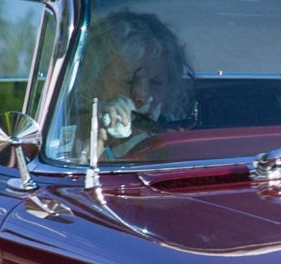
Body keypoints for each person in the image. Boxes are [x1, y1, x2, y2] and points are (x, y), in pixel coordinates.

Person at [70, 11, 197, 159]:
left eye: (156, 83)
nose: (144, 96)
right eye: (130, 81)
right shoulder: (62, 136)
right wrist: (95, 136)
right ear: (93, 81)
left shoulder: (173, 143)